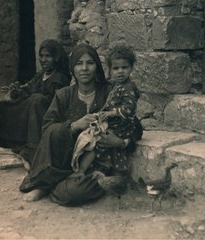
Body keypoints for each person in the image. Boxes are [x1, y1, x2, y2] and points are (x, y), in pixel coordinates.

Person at [19, 43, 143, 205]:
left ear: (97, 67)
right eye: (79, 64)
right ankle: (49, 183)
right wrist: (75, 125)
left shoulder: (110, 92)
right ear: (72, 69)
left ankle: (51, 184)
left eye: (90, 63)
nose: (84, 68)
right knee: (55, 130)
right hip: (63, 160)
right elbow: (47, 130)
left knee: (71, 194)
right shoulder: (63, 95)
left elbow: (135, 126)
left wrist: (120, 142)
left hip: (95, 162)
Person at [0, 39, 70, 166]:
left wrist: (32, 96)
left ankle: (32, 149)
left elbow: (54, 103)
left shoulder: (59, 79)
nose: (43, 60)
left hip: (44, 115)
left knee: (36, 100)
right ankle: (7, 146)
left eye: (48, 56)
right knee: (1, 107)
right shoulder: (41, 74)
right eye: (41, 56)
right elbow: (28, 88)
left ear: (56, 58)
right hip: (31, 108)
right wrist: (16, 91)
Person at [71, 46, 141, 176]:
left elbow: (131, 114)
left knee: (97, 142)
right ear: (109, 70)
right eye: (115, 68)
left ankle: (85, 171)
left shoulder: (124, 88)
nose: (120, 72)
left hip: (118, 128)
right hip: (111, 125)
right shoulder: (114, 86)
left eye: (124, 68)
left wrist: (121, 142)